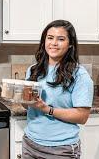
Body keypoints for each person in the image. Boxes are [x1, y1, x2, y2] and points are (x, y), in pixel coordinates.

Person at [22, 20, 94, 159]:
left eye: (61, 39)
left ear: (70, 44)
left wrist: (46, 109)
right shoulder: (33, 70)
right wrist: (21, 97)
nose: (54, 43)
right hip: (30, 143)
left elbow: (82, 116)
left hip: (61, 149)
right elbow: (27, 105)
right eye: (50, 38)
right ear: (44, 41)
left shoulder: (79, 74)